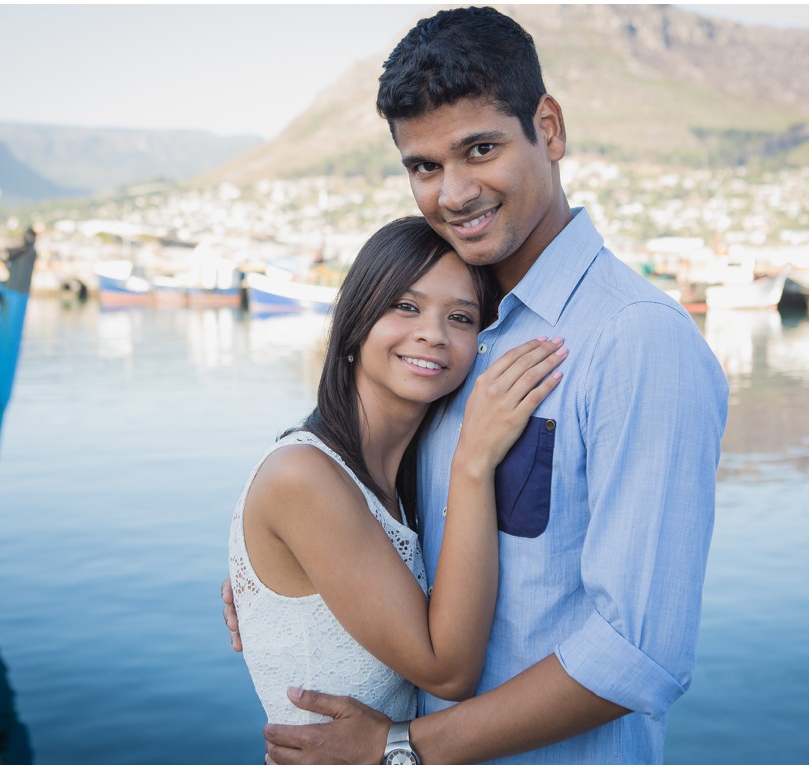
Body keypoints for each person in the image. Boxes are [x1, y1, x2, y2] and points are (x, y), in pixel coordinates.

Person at [223, 6, 729, 764]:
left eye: (480, 149)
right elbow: (357, 476)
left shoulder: (636, 340)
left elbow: (637, 651)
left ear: (549, 130)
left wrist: (401, 747)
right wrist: (283, 574)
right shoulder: (461, 329)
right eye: (424, 166)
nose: (453, 193)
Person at [227, 217, 568, 738]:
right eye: (406, 306)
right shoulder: (303, 476)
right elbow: (447, 672)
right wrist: (474, 461)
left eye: (460, 317)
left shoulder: (403, 473)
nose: (433, 333)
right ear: (357, 319)